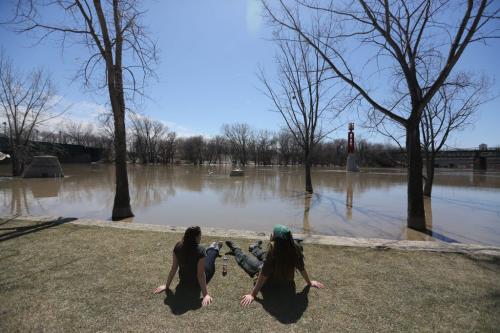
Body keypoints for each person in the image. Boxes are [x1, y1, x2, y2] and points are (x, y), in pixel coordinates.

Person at [225, 224, 325, 307]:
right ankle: (254, 248)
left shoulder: (273, 253)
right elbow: (301, 267)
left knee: (245, 259)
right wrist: (309, 282)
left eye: (273, 233)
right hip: (283, 276)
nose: (271, 234)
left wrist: (253, 295)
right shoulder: (295, 247)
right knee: (265, 256)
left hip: (271, 281)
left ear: (276, 239)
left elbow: (263, 275)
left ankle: (236, 249)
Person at [154, 226, 222, 307]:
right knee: (210, 257)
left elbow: (174, 268)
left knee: (205, 256)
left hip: (184, 280)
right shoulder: (200, 250)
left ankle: (212, 248)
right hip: (197, 282)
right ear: (196, 237)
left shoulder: (177, 246)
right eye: (200, 236)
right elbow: (200, 275)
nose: (200, 238)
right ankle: (214, 248)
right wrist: (205, 295)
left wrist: (167, 285)